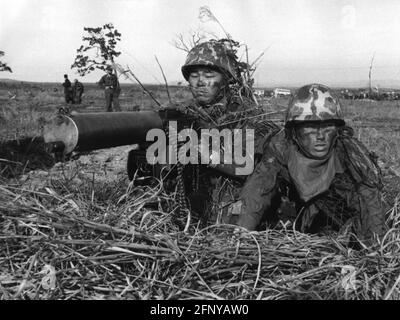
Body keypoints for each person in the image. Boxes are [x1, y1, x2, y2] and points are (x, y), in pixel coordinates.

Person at [129, 40, 278, 227]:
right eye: (193, 76)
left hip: (231, 214)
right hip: (184, 211)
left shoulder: (248, 116)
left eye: (209, 75)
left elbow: (252, 170)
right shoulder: (179, 115)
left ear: (226, 78)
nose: (200, 83)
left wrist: (204, 154)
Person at [236, 83, 387, 242]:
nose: (320, 136)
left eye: (327, 126)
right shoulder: (282, 146)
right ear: (294, 131)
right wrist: (241, 231)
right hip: (299, 216)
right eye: (310, 127)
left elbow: (370, 200)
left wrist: (374, 248)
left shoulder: (349, 152)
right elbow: (258, 189)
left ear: (337, 129)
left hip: (341, 218)